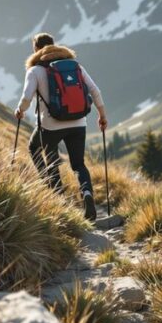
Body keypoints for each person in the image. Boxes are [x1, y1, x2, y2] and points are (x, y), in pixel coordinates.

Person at [15, 32, 107, 221]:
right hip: (78, 122)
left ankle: (57, 198)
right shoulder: (75, 66)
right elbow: (95, 91)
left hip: (50, 125)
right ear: (54, 45)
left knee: (39, 152)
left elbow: (26, 97)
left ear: (35, 49)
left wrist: (20, 111)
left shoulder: (34, 71)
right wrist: (102, 116)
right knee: (78, 164)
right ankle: (87, 193)